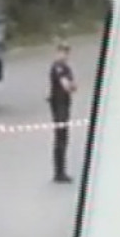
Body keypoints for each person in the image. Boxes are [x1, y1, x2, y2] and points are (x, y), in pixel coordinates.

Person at [48, 40, 77, 183]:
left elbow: (74, 86)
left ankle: (61, 170)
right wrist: (70, 85)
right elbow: (67, 86)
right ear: (57, 53)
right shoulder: (58, 68)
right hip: (58, 105)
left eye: (66, 52)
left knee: (64, 138)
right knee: (60, 138)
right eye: (62, 52)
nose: (64, 55)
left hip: (65, 104)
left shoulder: (66, 68)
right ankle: (59, 172)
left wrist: (71, 85)